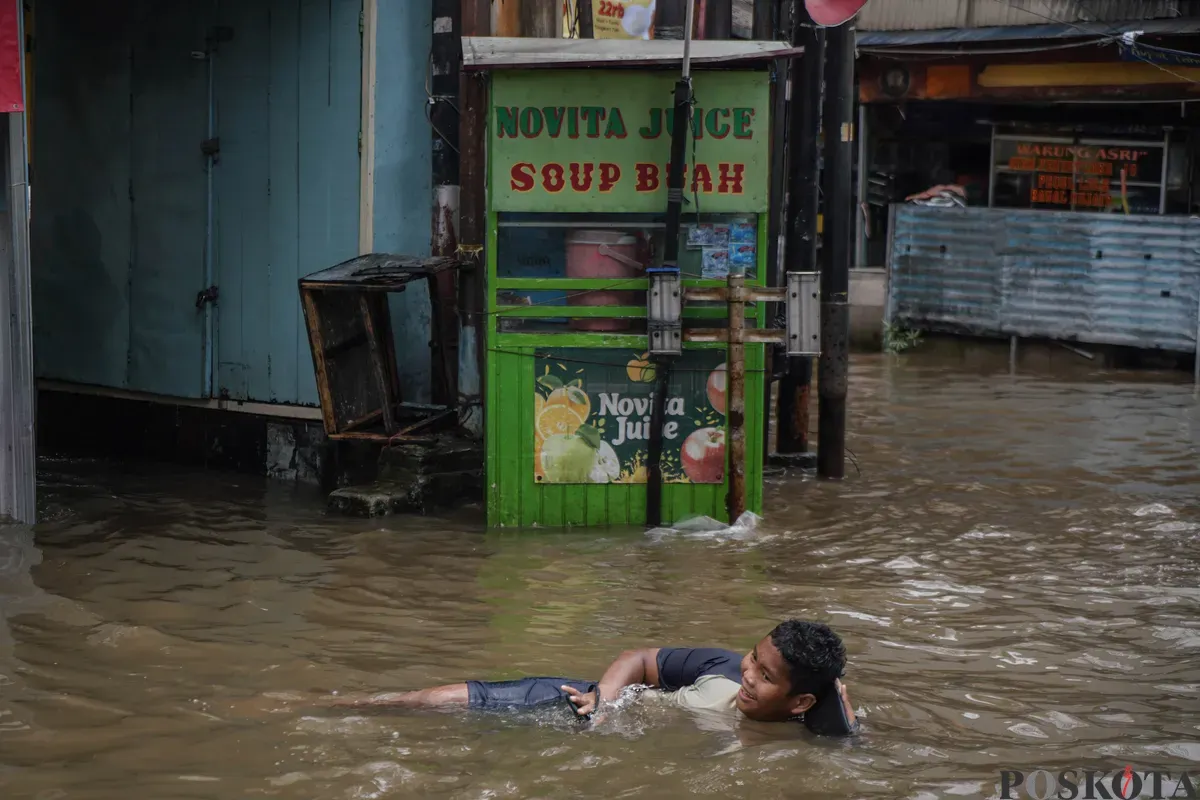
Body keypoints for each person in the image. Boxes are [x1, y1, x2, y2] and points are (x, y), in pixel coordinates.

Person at [330, 619, 860, 737]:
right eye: (753, 658)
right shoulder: (720, 666)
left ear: (799, 702)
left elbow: (853, 747)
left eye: (764, 676)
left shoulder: (813, 731)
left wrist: (843, 711)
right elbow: (639, 658)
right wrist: (601, 699)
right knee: (445, 700)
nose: (747, 674)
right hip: (586, 706)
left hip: (620, 744)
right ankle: (343, 704)